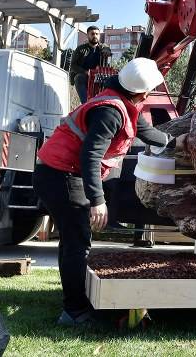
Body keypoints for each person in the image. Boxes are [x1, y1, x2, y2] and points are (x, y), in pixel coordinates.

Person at [32, 57, 185, 326]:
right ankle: (75, 313)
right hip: (62, 175)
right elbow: (90, 155)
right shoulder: (110, 112)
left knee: (71, 241)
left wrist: (176, 142)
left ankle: (72, 302)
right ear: (143, 92)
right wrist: (97, 200)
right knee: (78, 243)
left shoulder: (119, 103)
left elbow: (144, 130)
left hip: (57, 172)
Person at [70, 26, 111, 103]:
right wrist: (86, 72)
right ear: (87, 35)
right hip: (84, 76)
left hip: (99, 77)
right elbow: (73, 66)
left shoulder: (103, 47)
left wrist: (106, 50)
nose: (95, 36)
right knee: (79, 78)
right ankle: (86, 104)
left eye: (97, 34)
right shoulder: (80, 49)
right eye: (92, 34)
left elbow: (107, 49)